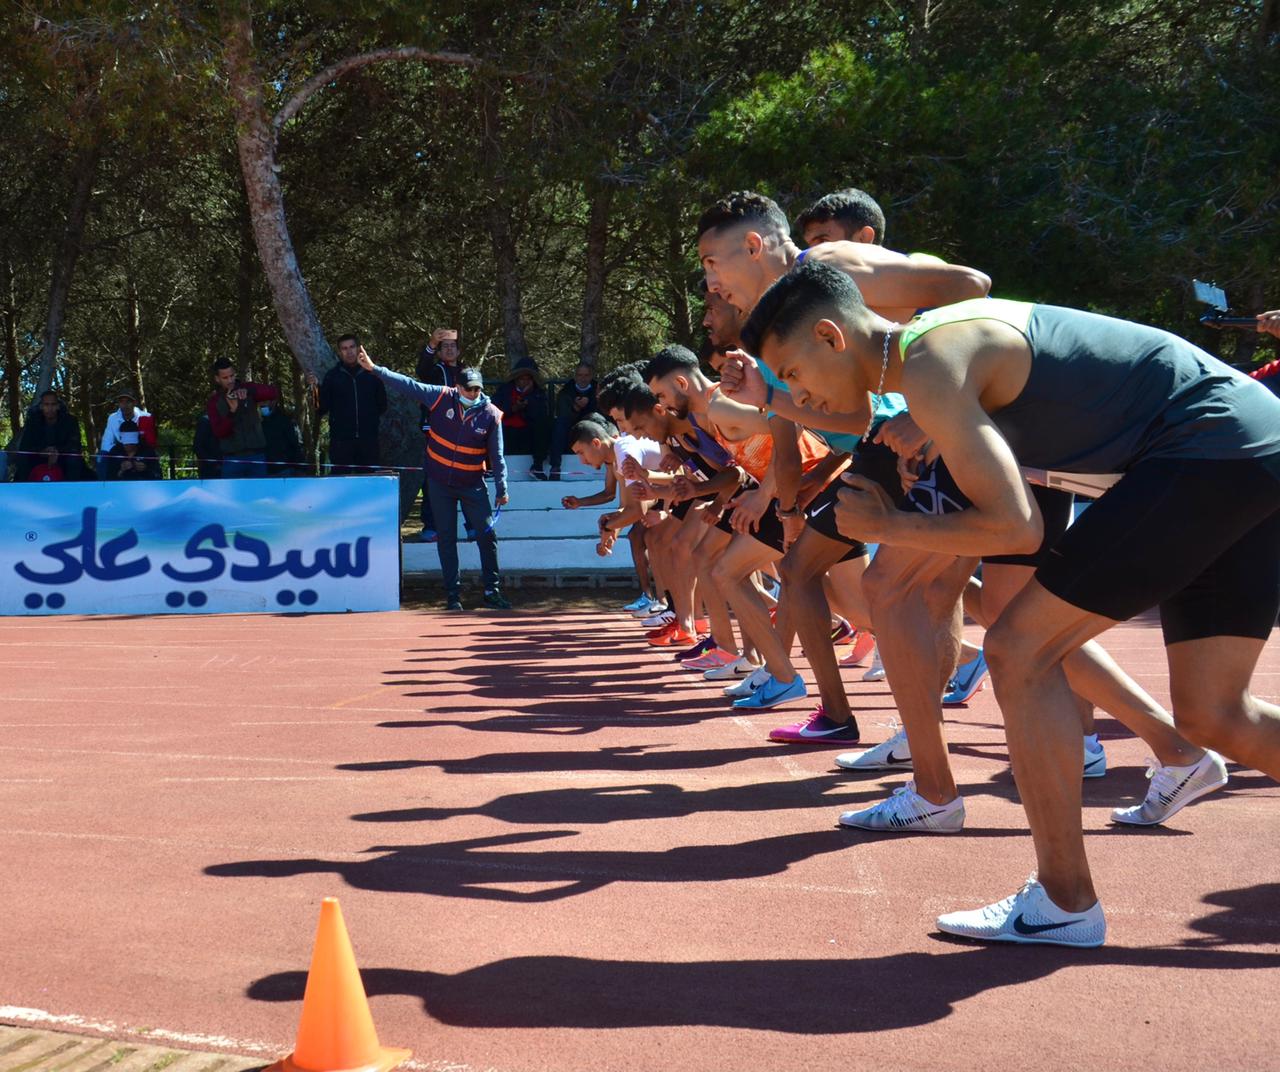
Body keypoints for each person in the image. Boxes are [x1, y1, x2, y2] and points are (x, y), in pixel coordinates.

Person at [744, 259, 1280, 947]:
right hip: (1250, 440)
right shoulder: (929, 358)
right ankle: (1065, 898)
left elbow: (1015, 528)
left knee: (1019, 646)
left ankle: (1064, 901)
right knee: (1217, 713)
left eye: (791, 374)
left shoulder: (931, 364)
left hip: (1208, 446)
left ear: (829, 335)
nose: (797, 393)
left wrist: (886, 527)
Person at [360, 349, 511, 611]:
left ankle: (491, 589)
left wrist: (502, 487)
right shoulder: (440, 397)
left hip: (473, 484)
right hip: (440, 483)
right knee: (446, 538)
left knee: (487, 535)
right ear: (457, 387)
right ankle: (453, 595)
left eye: (477, 389)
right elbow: (408, 384)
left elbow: (497, 456)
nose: (473, 394)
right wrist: (375, 369)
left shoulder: (491, 414)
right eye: (468, 389)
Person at [310, 334, 387, 474]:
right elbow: (321, 409)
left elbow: (382, 405)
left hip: (368, 440)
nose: (349, 351)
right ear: (340, 352)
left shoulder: (372, 375)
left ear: (358, 348)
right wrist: (315, 388)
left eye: (352, 347)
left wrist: (370, 420)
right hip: (341, 441)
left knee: (368, 482)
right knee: (340, 483)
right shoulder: (332, 376)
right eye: (344, 348)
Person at [412, 328, 461, 539]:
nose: (449, 350)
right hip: (435, 432)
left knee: (464, 478)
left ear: (459, 351)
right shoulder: (434, 371)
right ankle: (430, 527)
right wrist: (431, 343)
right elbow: (421, 369)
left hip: (462, 433)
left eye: (453, 346)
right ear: (440, 353)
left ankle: (470, 526)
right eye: (445, 347)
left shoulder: (468, 373)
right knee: (432, 479)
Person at [206, 359, 279, 478]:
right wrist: (232, 412)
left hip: (257, 456)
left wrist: (249, 391)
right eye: (225, 378)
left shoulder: (247, 387)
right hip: (232, 458)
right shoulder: (214, 402)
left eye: (232, 376)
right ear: (217, 379)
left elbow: (273, 392)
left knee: (259, 495)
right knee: (231, 496)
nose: (230, 380)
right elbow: (219, 432)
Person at [494, 357, 551, 480]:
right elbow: (494, 410)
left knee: (543, 426)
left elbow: (540, 415)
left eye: (528, 379)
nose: (524, 382)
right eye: (521, 378)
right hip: (506, 432)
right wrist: (514, 408)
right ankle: (491, 469)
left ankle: (537, 467)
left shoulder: (539, 393)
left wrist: (528, 399)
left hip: (528, 433)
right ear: (516, 379)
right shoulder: (504, 390)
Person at [16, 391, 85, 482]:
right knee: (23, 459)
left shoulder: (70, 421)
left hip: (62, 457)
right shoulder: (33, 422)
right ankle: (24, 492)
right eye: (46, 405)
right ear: (41, 406)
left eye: (53, 404)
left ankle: (71, 491)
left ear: (58, 406)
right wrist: (42, 452)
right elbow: (25, 447)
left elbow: (75, 445)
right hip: (39, 458)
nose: (50, 408)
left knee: (74, 460)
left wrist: (57, 451)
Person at [550, 363, 599, 479]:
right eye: (580, 375)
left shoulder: (598, 390)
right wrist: (576, 408)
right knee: (559, 425)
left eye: (586, 375)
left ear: (591, 376)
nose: (583, 379)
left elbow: (603, 412)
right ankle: (555, 467)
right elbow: (563, 413)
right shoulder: (566, 391)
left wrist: (590, 404)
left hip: (592, 426)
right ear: (575, 376)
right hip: (572, 430)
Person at [99, 388, 154, 460]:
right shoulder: (112, 418)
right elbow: (106, 443)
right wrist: (120, 459)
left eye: (128, 402)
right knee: (102, 457)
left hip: (141, 454)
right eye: (121, 402)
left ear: (134, 403)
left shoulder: (147, 417)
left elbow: (151, 444)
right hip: (119, 454)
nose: (125, 405)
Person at [261, 399, 306, 476]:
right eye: (261, 404)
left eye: (265, 402)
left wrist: (300, 468)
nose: (262, 406)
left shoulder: (286, 421)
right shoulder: (261, 424)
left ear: (273, 402)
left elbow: (297, 445)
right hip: (267, 470)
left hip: (285, 468)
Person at [193, 413, 222, 479]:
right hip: (210, 468)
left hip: (222, 464)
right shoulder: (205, 421)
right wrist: (212, 463)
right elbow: (198, 446)